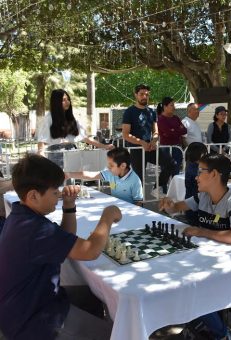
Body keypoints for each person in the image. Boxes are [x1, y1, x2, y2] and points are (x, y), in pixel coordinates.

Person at [0, 154, 121, 340]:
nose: (59, 195)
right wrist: (108, 215)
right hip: (33, 322)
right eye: (55, 192)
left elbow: (66, 238)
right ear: (33, 195)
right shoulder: (35, 229)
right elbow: (90, 251)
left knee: (94, 295)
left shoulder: (22, 216)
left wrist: (69, 206)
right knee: (115, 335)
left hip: (33, 302)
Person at [160, 153, 231, 340]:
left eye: (201, 172)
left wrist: (202, 232)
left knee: (192, 290)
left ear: (214, 174)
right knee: (178, 279)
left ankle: (222, 333)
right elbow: (177, 207)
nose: (196, 176)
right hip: (208, 260)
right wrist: (169, 203)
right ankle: (197, 324)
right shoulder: (202, 197)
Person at [122, 84, 175, 197]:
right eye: (141, 94)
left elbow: (155, 131)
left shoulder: (151, 112)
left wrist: (154, 140)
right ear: (136, 95)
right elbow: (125, 134)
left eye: (146, 94)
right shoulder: (129, 112)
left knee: (171, 163)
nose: (144, 96)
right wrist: (141, 142)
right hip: (136, 149)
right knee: (139, 180)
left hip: (150, 148)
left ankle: (157, 188)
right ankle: (136, 206)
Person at [37, 89, 113, 167]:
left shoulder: (73, 118)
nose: (67, 102)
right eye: (64, 100)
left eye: (68, 99)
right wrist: (41, 154)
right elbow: (42, 140)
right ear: (56, 102)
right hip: (56, 154)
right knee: (60, 178)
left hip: (72, 152)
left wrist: (105, 146)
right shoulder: (49, 118)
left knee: (74, 178)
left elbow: (85, 138)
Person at [65, 147, 143, 205]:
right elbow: (91, 175)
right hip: (114, 208)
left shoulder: (135, 180)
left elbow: (138, 202)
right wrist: (69, 174)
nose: (108, 168)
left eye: (111, 165)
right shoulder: (110, 173)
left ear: (123, 166)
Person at [156, 97, 187, 176]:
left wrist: (174, 130)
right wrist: (177, 130)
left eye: (174, 105)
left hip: (177, 148)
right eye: (171, 105)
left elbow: (184, 130)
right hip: (165, 149)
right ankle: (165, 188)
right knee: (165, 171)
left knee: (176, 171)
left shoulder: (176, 118)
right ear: (165, 107)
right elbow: (168, 133)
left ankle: (174, 188)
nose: (174, 107)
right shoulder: (161, 119)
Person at [184, 142, 208, 226]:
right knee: (195, 227)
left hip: (195, 203)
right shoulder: (193, 167)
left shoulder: (193, 164)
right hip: (193, 205)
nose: (206, 155)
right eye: (205, 154)